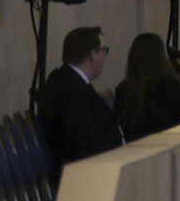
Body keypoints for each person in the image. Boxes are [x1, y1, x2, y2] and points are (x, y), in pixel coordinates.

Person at [37, 25, 122, 173]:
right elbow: (83, 141)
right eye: (104, 50)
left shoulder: (69, 81)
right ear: (93, 55)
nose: (105, 56)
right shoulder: (70, 90)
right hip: (81, 173)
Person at [110, 30, 180, 140]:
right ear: (161, 57)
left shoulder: (122, 90)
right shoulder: (169, 86)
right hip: (169, 145)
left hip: (136, 148)